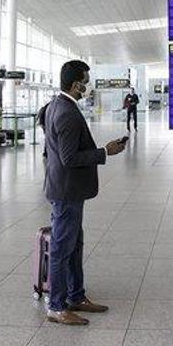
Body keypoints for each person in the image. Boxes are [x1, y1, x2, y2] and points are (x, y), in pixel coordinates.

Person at [42, 60, 127, 325]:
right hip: (67, 191)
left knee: (74, 245)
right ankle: (56, 306)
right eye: (85, 81)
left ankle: (75, 296)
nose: (87, 86)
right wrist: (105, 152)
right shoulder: (66, 112)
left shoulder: (56, 105)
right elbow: (68, 157)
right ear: (75, 82)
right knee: (62, 248)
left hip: (68, 189)